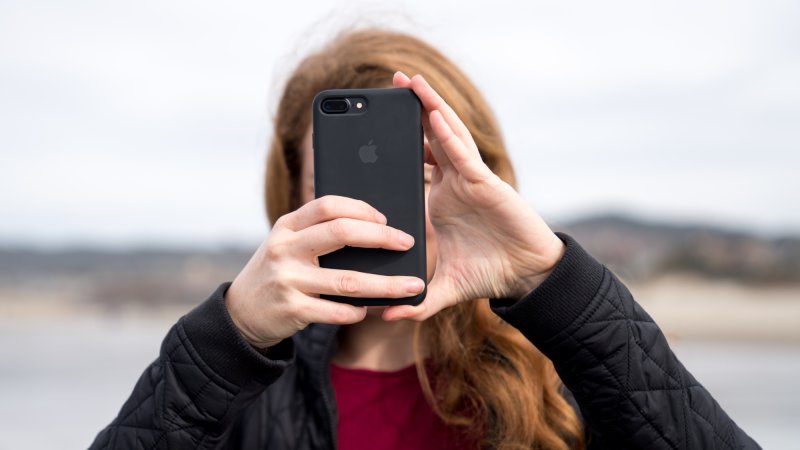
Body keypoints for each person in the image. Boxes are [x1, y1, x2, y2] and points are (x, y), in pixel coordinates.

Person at [89, 29, 761, 450]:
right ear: (290, 200)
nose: (377, 220)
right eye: (339, 192)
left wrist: (554, 286)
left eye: (418, 178)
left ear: (480, 180)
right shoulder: (240, 391)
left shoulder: (567, 374)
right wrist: (224, 340)